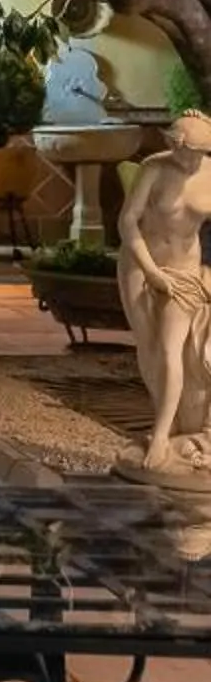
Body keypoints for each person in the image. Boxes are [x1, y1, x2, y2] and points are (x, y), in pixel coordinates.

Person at [117, 110, 211, 472]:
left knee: (172, 348)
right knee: (150, 346)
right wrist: (151, 271)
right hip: (140, 263)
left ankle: (160, 436)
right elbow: (127, 222)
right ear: (174, 144)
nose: (193, 160)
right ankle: (168, 425)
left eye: (201, 153)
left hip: (184, 270)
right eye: (188, 152)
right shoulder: (154, 168)